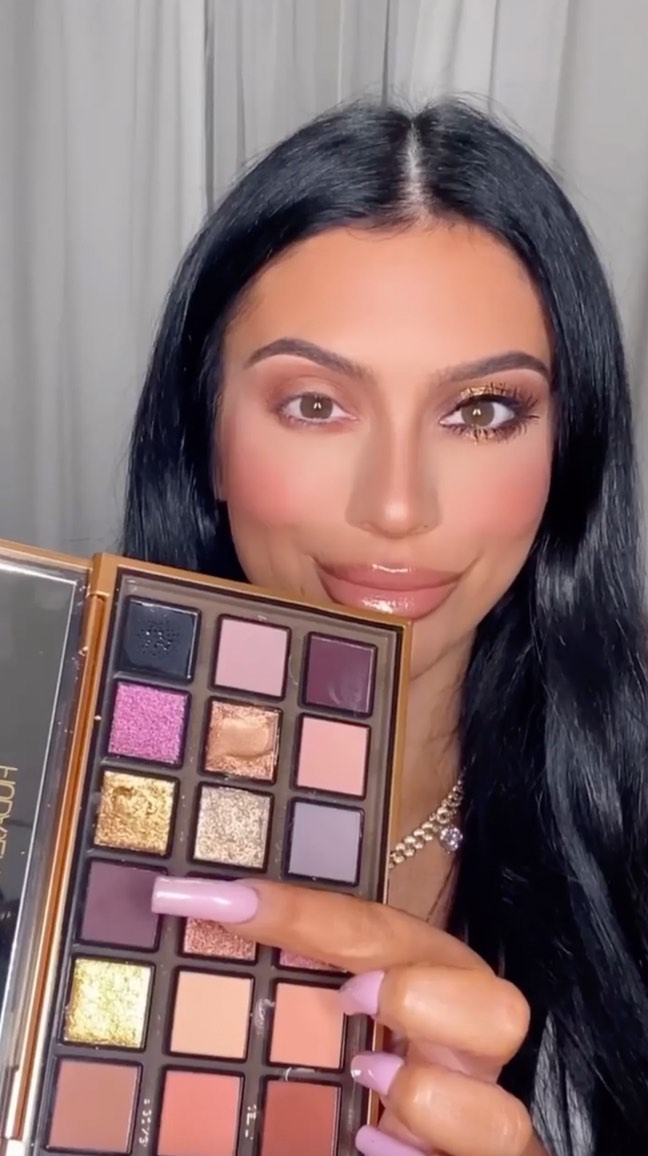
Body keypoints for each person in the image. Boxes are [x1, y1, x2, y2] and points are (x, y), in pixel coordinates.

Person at [123, 99, 648, 1155]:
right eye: (315, 405)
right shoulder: (53, 783)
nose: (397, 507)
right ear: (208, 442)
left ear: (566, 454)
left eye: (482, 412)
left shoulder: (622, 816)